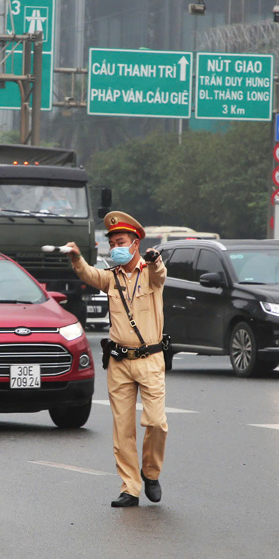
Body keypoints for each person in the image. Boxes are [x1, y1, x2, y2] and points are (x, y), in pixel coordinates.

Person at [64, 211, 168, 508]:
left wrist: (155, 259)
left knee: (156, 423)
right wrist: (76, 258)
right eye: (111, 244)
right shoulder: (111, 277)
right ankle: (130, 487)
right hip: (120, 361)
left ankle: (150, 472)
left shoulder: (151, 272)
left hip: (150, 359)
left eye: (120, 242)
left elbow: (160, 274)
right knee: (122, 428)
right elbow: (88, 274)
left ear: (135, 244)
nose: (115, 248)